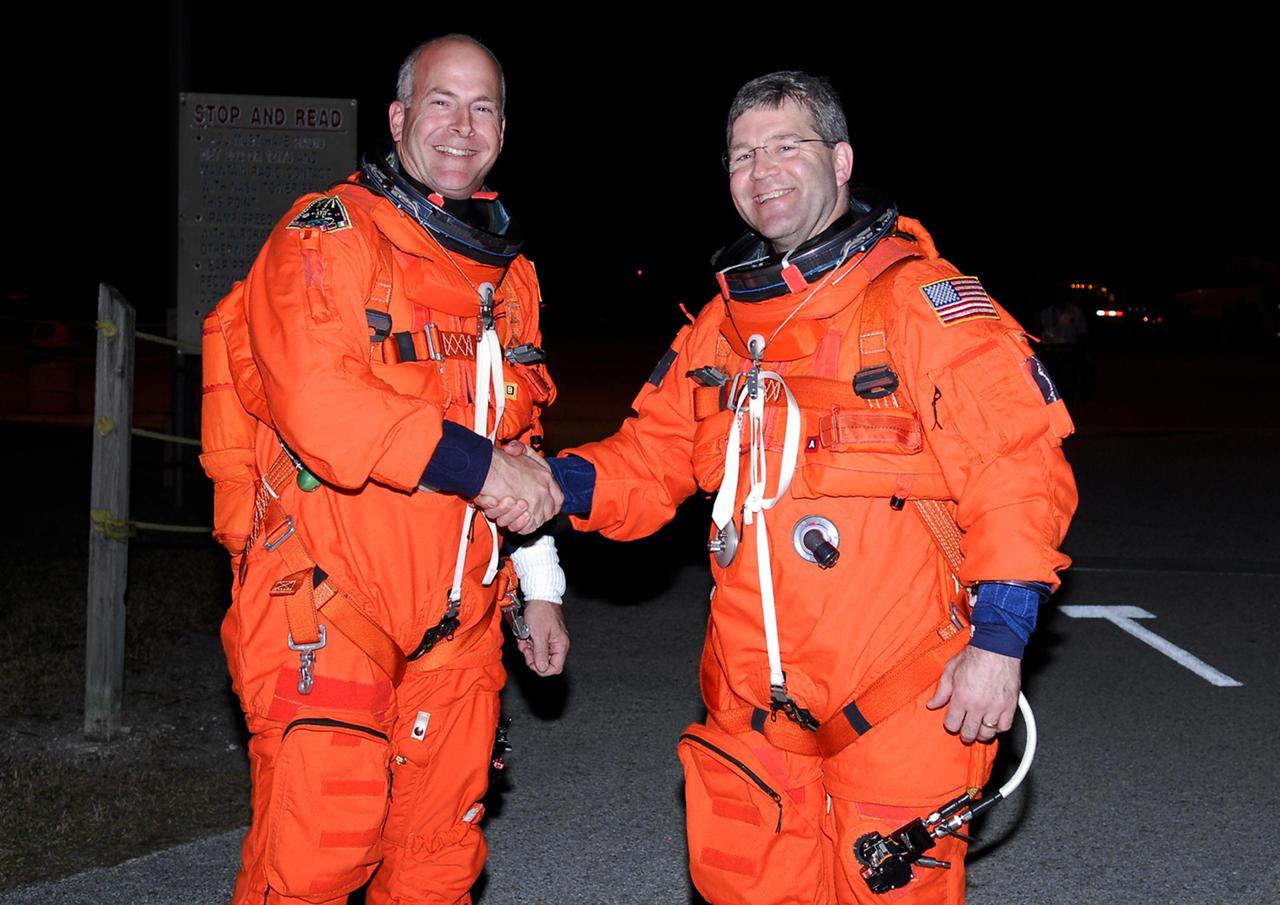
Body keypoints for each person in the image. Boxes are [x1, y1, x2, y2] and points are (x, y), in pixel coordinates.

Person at [515, 71, 1077, 903]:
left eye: (786, 146)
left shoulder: (917, 304)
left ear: (841, 161)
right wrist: (543, 483)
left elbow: (1018, 468)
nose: (762, 169)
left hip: (903, 699)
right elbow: (649, 458)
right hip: (754, 710)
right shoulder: (722, 329)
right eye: (743, 154)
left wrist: (999, 640)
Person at [206, 35, 569, 905]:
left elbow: (519, 436)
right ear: (400, 117)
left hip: (458, 630)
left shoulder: (510, 278)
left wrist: (541, 583)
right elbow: (321, 403)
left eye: (482, 108)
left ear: (503, 131)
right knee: (313, 866)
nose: (462, 126)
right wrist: (481, 469)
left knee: (437, 866)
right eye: (442, 102)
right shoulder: (328, 235)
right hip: (332, 603)